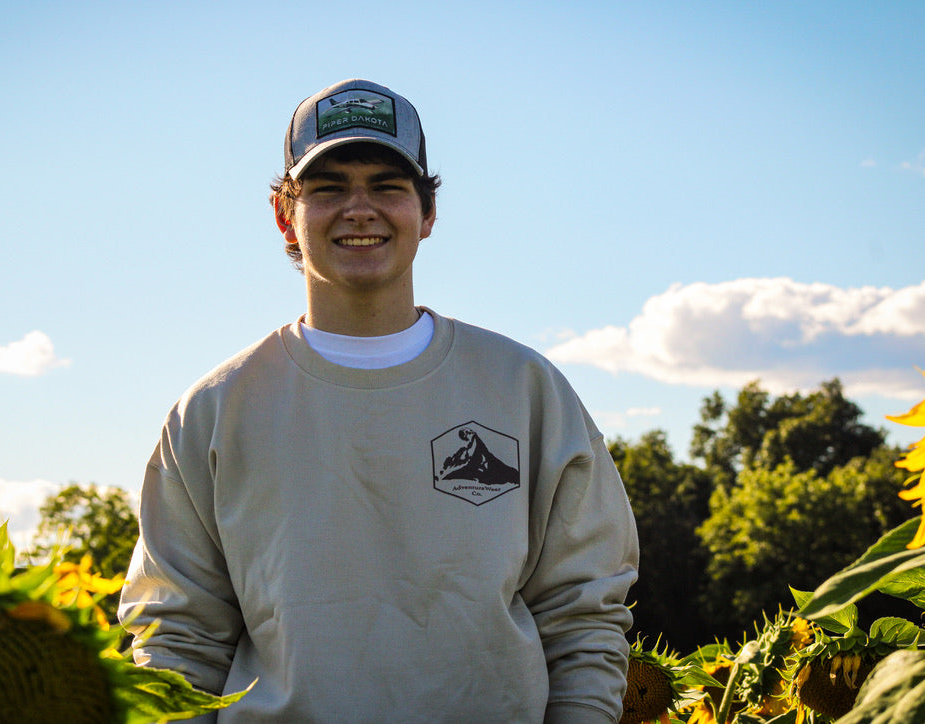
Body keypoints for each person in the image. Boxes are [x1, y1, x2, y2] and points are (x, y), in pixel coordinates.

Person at [119, 78, 640, 724]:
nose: (359, 208)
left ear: (427, 213)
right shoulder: (214, 412)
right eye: (329, 187)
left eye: (388, 187)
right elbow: (179, 639)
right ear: (286, 215)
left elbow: (583, 617)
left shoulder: (525, 390)